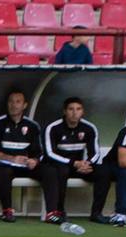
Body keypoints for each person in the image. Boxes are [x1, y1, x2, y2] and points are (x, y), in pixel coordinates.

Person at [40, 96, 108, 225]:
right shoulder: (53, 128)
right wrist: (74, 163)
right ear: (64, 111)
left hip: (80, 167)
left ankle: (96, 213)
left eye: (78, 109)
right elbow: (49, 153)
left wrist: (87, 163)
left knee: (103, 172)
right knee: (61, 170)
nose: (74, 112)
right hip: (58, 165)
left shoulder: (89, 128)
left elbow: (95, 152)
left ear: (82, 111)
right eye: (71, 109)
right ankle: (59, 211)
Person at [0, 90, 44, 222]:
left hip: (25, 166)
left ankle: (53, 212)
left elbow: (38, 152)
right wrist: (12, 159)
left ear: (24, 105)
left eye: (18, 102)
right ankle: (7, 210)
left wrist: (34, 161)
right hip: (4, 165)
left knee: (49, 171)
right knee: (5, 172)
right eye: (11, 101)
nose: (14, 105)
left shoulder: (32, 126)